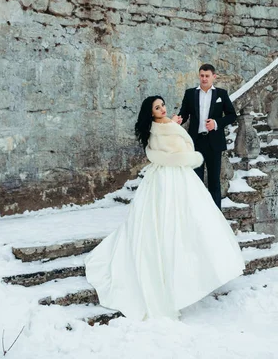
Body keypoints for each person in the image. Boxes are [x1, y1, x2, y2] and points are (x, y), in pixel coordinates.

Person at [84, 95, 244, 321]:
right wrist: (177, 134)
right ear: (151, 112)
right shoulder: (160, 130)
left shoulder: (167, 125)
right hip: (169, 177)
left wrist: (174, 126)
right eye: (157, 108)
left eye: (162, 105)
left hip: (180, 175)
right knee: (168, 221)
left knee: (194, 221)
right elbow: (177, 153)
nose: (162, 109)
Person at [177, 64, 237, 209]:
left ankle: (216, 217)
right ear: (199, 76)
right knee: (195, 181)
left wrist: (216, 123)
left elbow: (232, 115)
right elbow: (184, 114)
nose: (204, 79)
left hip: (214, 143)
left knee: (214, 181)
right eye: (202, 75)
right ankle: (197, 215)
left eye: (207, 76)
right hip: (196, 143)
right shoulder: (190, 93)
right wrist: (179, 119)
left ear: (213, 77)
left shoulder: (221, 94)